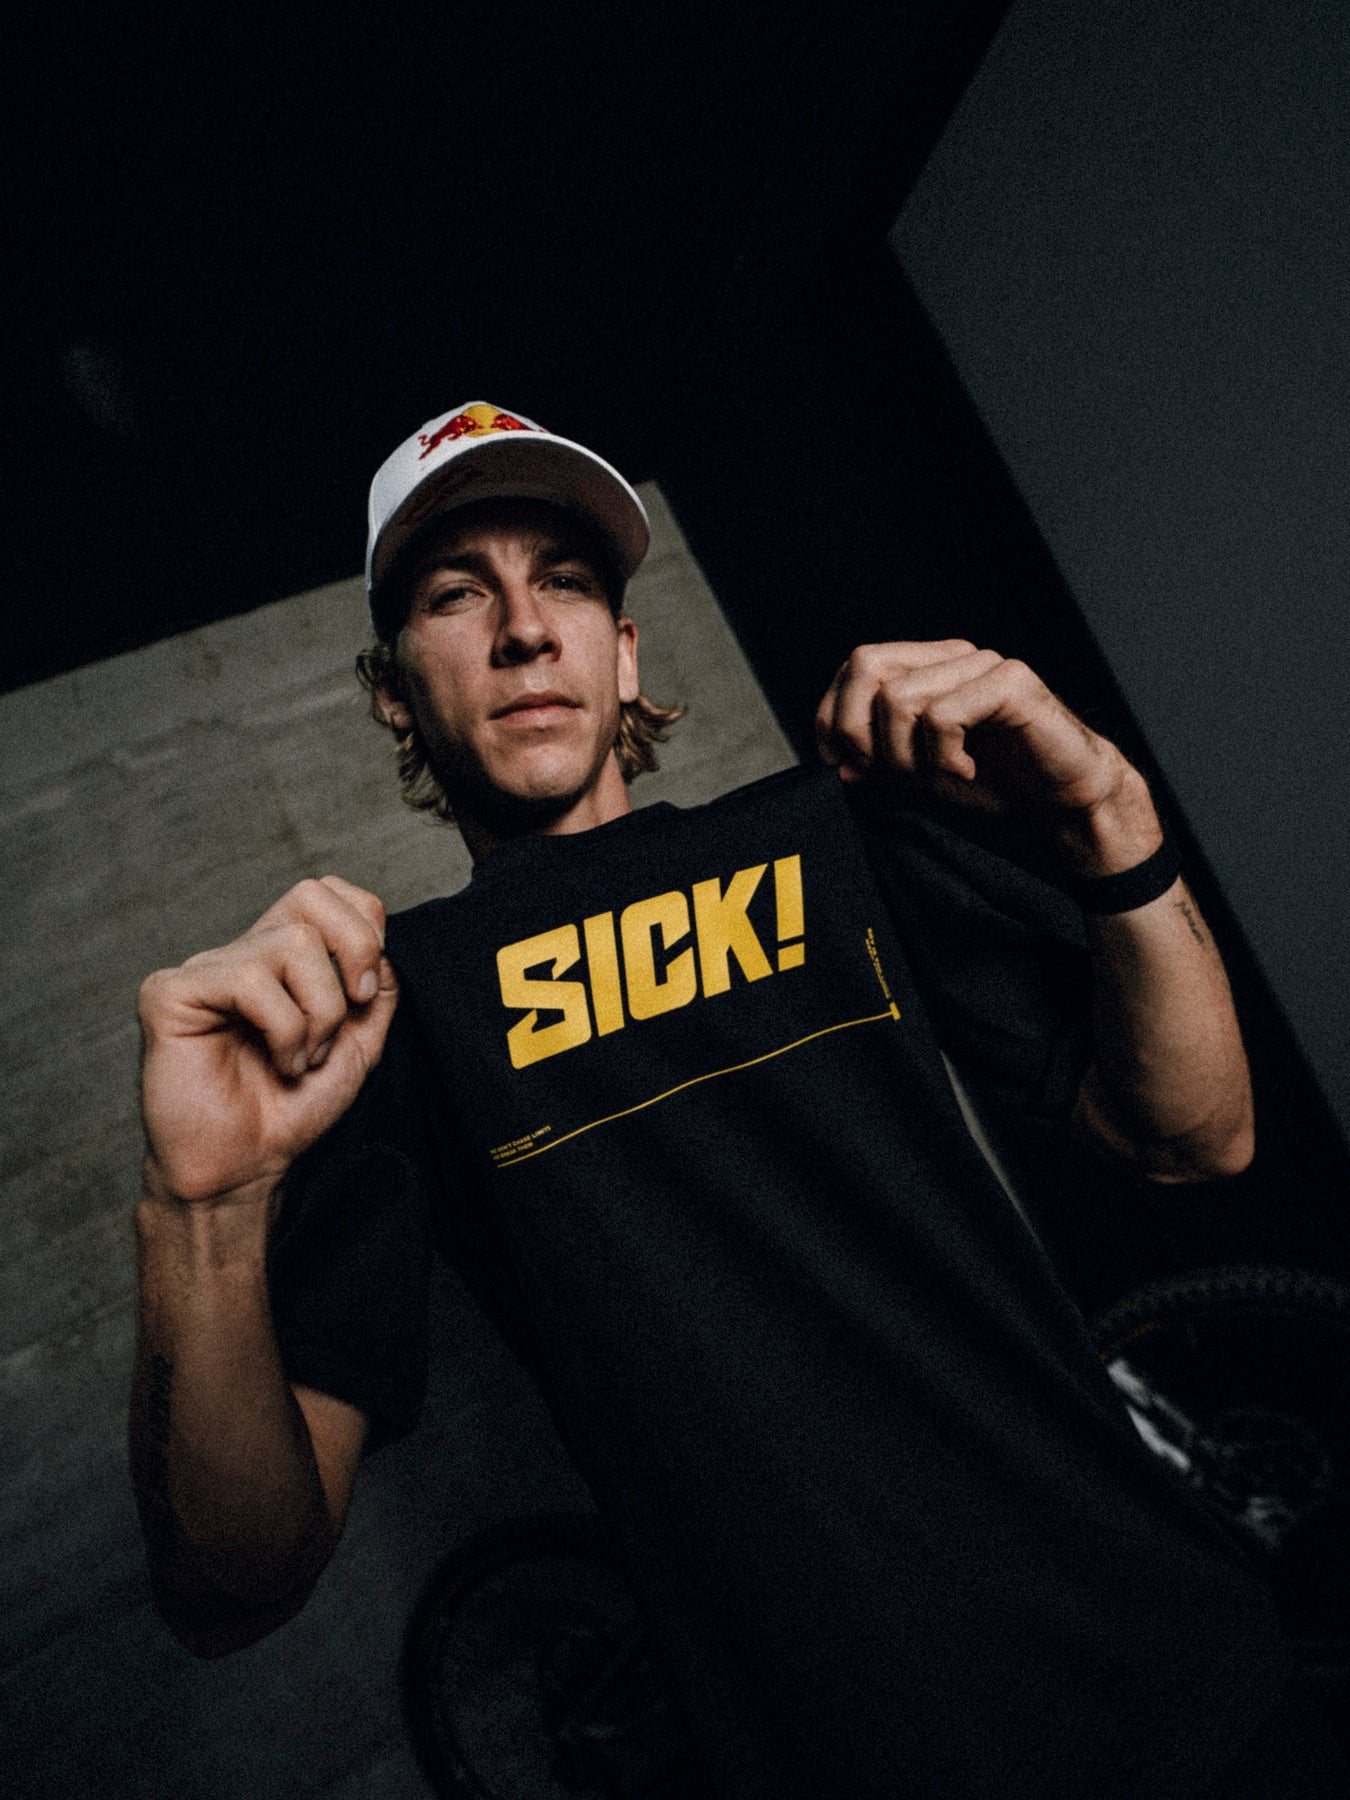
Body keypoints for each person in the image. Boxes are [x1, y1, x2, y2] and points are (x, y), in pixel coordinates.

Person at [129, 402, 1337, 1797]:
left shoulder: (833, 840)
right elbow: (231, 1588)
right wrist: (198, 1209)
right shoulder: (378, 1023)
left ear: (623, 650)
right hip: (839, 1753)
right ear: (393, 691)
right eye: (456, 596)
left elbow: (1195, 1136)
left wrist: (1113, 819)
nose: (524, 631)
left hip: (1170, 1666)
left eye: (564, 582)